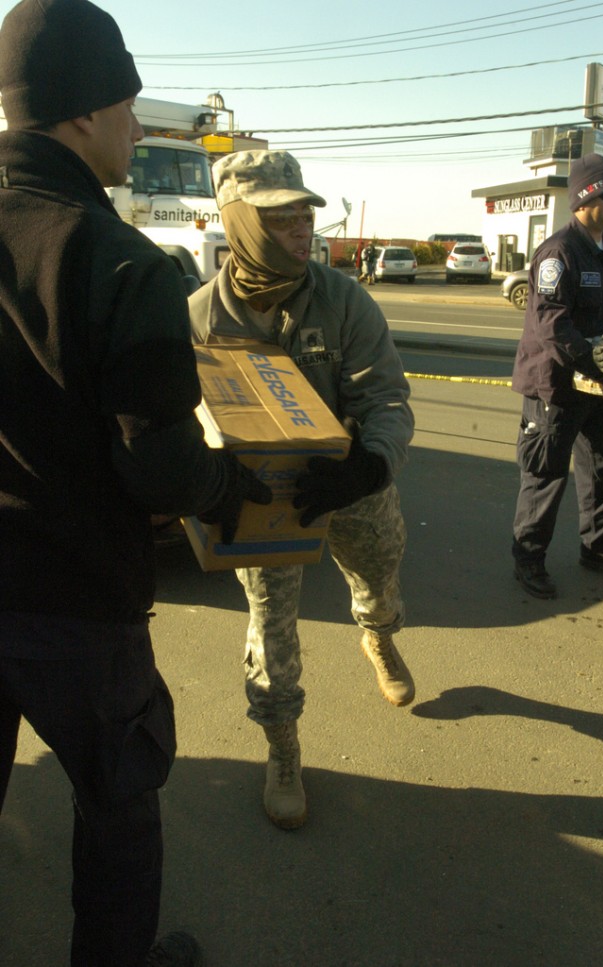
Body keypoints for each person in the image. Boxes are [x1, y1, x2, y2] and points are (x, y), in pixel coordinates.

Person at [0, 2, 271, 965]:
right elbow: (156, 465)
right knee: (117, 813)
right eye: (124, 104)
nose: (132, 126)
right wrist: (232, 486)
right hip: (79, 605)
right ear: (81, 113)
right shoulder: (122, 263)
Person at [190, 150, 415, 830]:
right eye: (281, 218)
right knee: (270, 623)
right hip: (262, 499)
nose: (302, 230)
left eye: (305, 215)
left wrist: (369, 464)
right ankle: (282, 747)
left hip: (347, 481)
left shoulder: (343, 298)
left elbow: (387, 397)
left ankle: (377, 632)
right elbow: (177, 414)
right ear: (241, 224)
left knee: (379, 568)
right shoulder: (202, 315)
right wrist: (210, 478)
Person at [511, 152, 603, 600]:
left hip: (597, 387)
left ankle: (599, 547)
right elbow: (549, 322)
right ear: (584, 197)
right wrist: (588, 353)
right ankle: (528, 558)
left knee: (602, 469)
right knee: (545, 475)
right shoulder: (558, 251)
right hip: (557, 386)